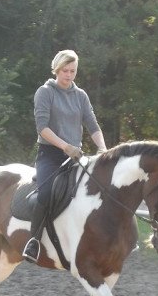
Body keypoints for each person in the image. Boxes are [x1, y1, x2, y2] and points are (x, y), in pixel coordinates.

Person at [22, 49, 107, 263]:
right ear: (56, 70)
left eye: (73, 71)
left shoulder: (81, 96)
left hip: (76, 157)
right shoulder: (45, 92)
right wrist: (65, 146)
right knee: (46, 194)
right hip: (50, 154)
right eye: (65, 70)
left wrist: (103, 149)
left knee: (101, 188)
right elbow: (42, 128)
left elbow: (92, 125)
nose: (69, 75)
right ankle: (33, 241)